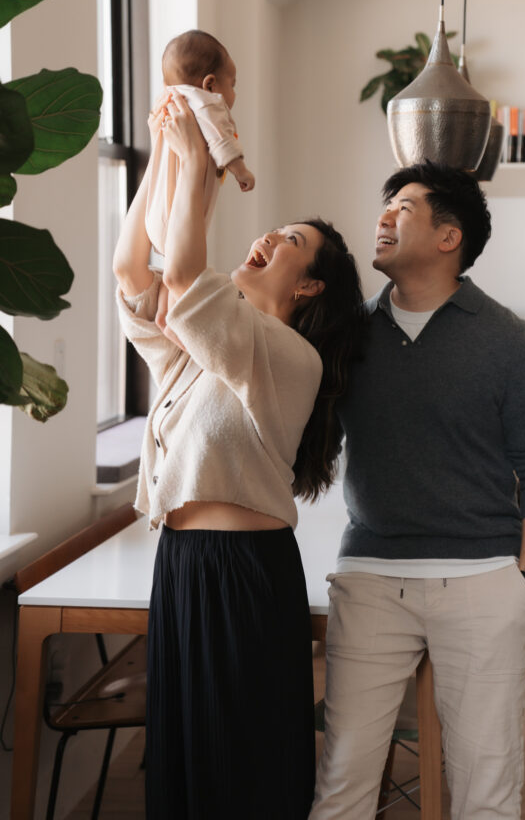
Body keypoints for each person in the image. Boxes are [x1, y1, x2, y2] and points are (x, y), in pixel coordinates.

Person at [113, 89, 364, 820]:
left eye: (290, 242)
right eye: (274, 229)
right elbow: (133, 273)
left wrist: (200, 160)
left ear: (308, 284)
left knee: (239, 765)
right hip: (182, 564)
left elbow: (183, 279)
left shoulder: (289, 357)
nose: (268, 237)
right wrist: (164, 155)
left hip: (243, 574)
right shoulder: (199, 352)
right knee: (186, 759)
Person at [310, 160, 525, 820]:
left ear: (449, 237)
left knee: (487, 786)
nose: (383, 217)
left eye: (403, 207)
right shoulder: (348, 335)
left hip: (484, 581)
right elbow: (308, 442)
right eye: (385, 205)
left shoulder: (508, 340)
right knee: (342, 782)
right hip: (370, 578)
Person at [146, 29, 255, 341]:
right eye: (232, 84)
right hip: (181, 213)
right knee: (187, 274)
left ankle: (166, 317)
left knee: (173, 271)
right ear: (210, 84)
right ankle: (174, 324)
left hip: (159, 211)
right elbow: (222, 139)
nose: (233, 94)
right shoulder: (206, 103)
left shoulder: (168, 102)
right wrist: (241, 170)